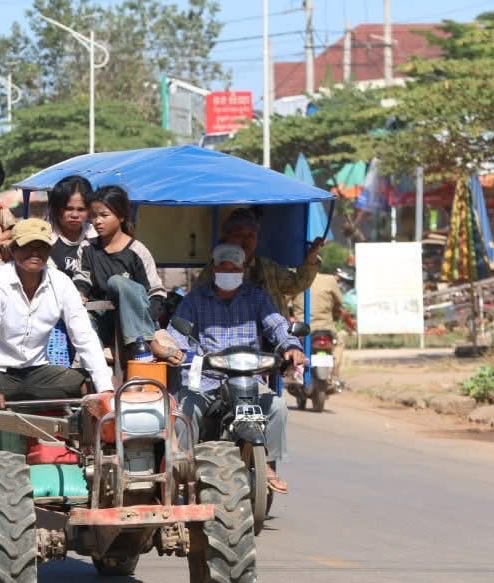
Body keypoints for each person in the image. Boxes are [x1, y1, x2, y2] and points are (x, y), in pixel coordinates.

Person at [163, 243, 306, 494]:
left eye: (234, 268)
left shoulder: (257, 297)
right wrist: (177, 350)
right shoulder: (195, 299)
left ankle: (267, 464)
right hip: (207, 380)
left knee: (278, 408)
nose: (228, 272)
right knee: (185, 413)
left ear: (243, 270)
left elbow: (277, 325)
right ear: (214, 269)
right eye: (223, 267)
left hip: (249, 380)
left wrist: (292, 346)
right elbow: (177, 333)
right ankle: (183, 470)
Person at [0, 219, 113, 409]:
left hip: (38, 372)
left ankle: (92, 429)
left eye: (42, 247)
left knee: (89, 385)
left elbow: (84, 336)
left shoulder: (61, 282)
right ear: (14, 250)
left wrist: (105, 388)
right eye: (28, 246)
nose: (35, 253)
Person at [75, 185, 167, 352]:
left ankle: (146, 343)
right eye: (93, 216)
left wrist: (146, 320)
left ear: (121, 216)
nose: (97, 221)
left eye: (104, 215)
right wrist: (80, 294)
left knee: (117, 282)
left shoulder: (137, 251)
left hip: (138, 322)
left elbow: (156, 293)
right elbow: (83, 278)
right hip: (102, 320)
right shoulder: (87, 247)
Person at [196, 207, 323, 317]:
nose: (246, 240)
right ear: (227, 238)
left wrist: (311, 256)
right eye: (238, 235)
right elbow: (198, 303)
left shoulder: (268, 268)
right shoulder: (215, 270)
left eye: (251, 235)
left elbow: (298, 284)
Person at [47, 174, 95, 279]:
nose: (75, 215)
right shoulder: (45, 236)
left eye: (81, 209)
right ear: (55, 208)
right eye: (68, 209)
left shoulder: (96, 235)